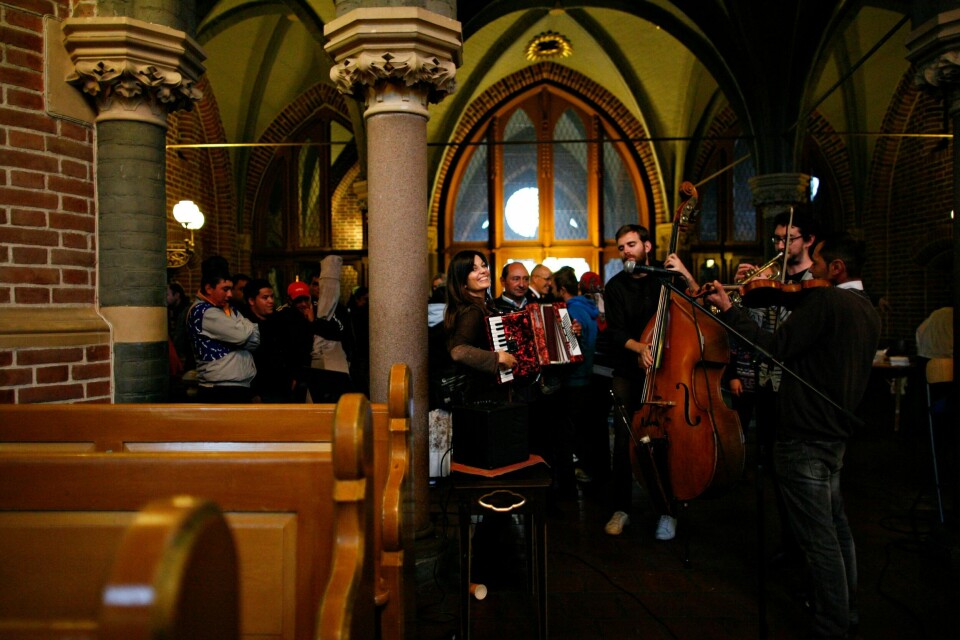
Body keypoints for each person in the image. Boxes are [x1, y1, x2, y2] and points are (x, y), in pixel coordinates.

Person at [703, 233, 881, 639]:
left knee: (818, 542)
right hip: (835, 433)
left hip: (804, 434)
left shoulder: (828, 301)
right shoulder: (865, 306)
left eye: (817, 263)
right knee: (837, 529)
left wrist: (731, 308)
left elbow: (772, 346)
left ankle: (830, 626)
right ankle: (847, 611)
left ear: (836, 268)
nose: (810, 270)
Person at [603, 224, 676, 540]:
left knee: (665, 441)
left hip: (667, 370)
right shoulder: (616, 285)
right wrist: (641, 348)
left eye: (631, 245)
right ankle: (621, 509)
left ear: (647, 246)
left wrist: (682, 272)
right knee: (623, 439)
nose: (626, 252)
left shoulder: (666, 278)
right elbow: (616, 332)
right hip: (628, 370)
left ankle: (668, 511)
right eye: (621, 247)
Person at [445, 250, 517, 403]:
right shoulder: (472, 311)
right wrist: (498, 358)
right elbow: (458, 351)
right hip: (481, 397)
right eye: (474, 269)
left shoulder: (485, 306)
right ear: (462, 281)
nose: (484, 270)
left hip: (488, 394)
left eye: (483, 266)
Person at [554, 266, 603, 489]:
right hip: (589, 375)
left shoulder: (568, 311)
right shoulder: (588, 307)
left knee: (570, 432)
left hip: (574, 378)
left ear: (562, 288)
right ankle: (591, 469)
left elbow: (573, 348)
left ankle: (572, 477)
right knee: (586, 429)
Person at [187, 256, 260, 403]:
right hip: (219, 389)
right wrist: (246, 329)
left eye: (230, 289)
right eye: (225, 289)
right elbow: (241, 335)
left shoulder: (228, 308)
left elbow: (256, 339)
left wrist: (244, 332)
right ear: (209, 288)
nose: (230, 295)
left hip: (239, 386)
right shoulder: (203, 311)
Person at [241, 278, 295, 403]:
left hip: (283, 388)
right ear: (251, 300)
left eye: (271, 297)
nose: (271, 301)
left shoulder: (279, 320)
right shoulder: (245, 325)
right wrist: (253, 392)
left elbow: (290, 350)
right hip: (259, 391)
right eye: (265, 298)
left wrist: (293, 376)